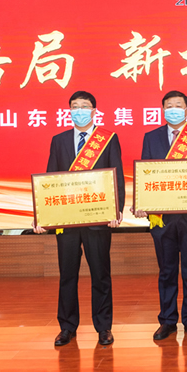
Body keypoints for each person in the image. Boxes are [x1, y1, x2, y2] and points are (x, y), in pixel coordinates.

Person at [33, 90, 125, 347]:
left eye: (84, 106)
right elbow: (50, 178)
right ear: (69, 111)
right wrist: (43, 214)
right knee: (67, 275)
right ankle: (67, 327)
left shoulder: (108, 139)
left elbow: (116, 175)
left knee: (101, 275)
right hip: (68, 219)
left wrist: (116, 210)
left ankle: (104, 327)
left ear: (94, 110)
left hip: (98, 218)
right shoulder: (59, 140)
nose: (79, 110)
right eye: (75, 106)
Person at [132, 91, 187, 341]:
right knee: (166, 270)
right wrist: (141, 203)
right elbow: (146, 173)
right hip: (162, 217)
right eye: (169, 106)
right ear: (162, 110)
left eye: (178, 105)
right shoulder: (152, 137)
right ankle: (168, 321)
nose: (173, 109)